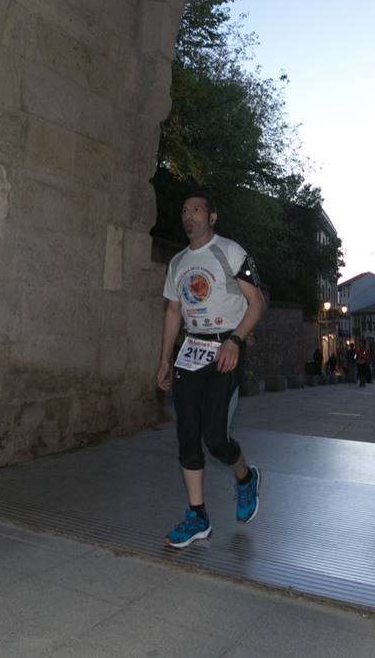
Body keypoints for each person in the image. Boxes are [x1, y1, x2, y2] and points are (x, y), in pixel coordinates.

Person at [155, 191, 266, 548]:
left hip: (226, 348)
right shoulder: (177, 263)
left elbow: (257, 302)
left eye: (197, 210)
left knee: (215, 438)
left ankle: (245, 478)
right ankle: (197, 516)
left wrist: (235, 340)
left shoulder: (230, 251)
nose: (189, 216)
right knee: (188, 434)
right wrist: (164, 360)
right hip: (190, 351)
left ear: (212, 217)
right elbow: (173, 312)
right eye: (184, 210)